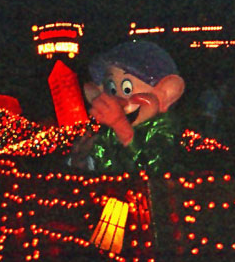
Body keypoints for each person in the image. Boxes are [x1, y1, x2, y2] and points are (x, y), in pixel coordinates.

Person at [77, 40, 186, 175]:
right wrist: (81, 158)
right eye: (112, 90)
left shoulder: (164, 131)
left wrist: (122, 127)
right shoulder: (108, 134)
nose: (119, 100)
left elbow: (153, 169)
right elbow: (98, 167)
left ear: (166, 93)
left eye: (127, 89)